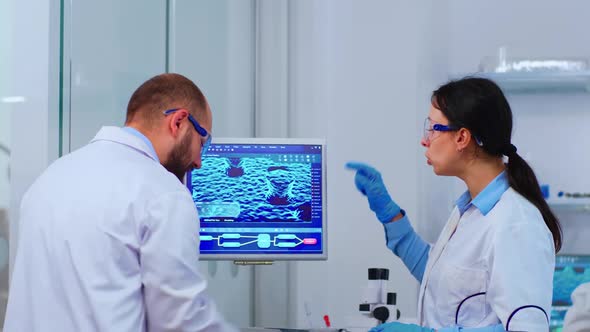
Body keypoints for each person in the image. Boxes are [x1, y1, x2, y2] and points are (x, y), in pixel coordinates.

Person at [5, 73, 237, 331]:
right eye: (202, 142)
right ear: (179, 122)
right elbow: (180, 322)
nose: (198, 161)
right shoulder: (163, 193)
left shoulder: (49, 178)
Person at [346, 77, 561, 332]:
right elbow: (442, 278)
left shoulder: (516, 224)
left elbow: (527, 330)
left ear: (462, 138)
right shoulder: (469, 209)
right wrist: (390, 215)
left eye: (433, 129)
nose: (425, 141)